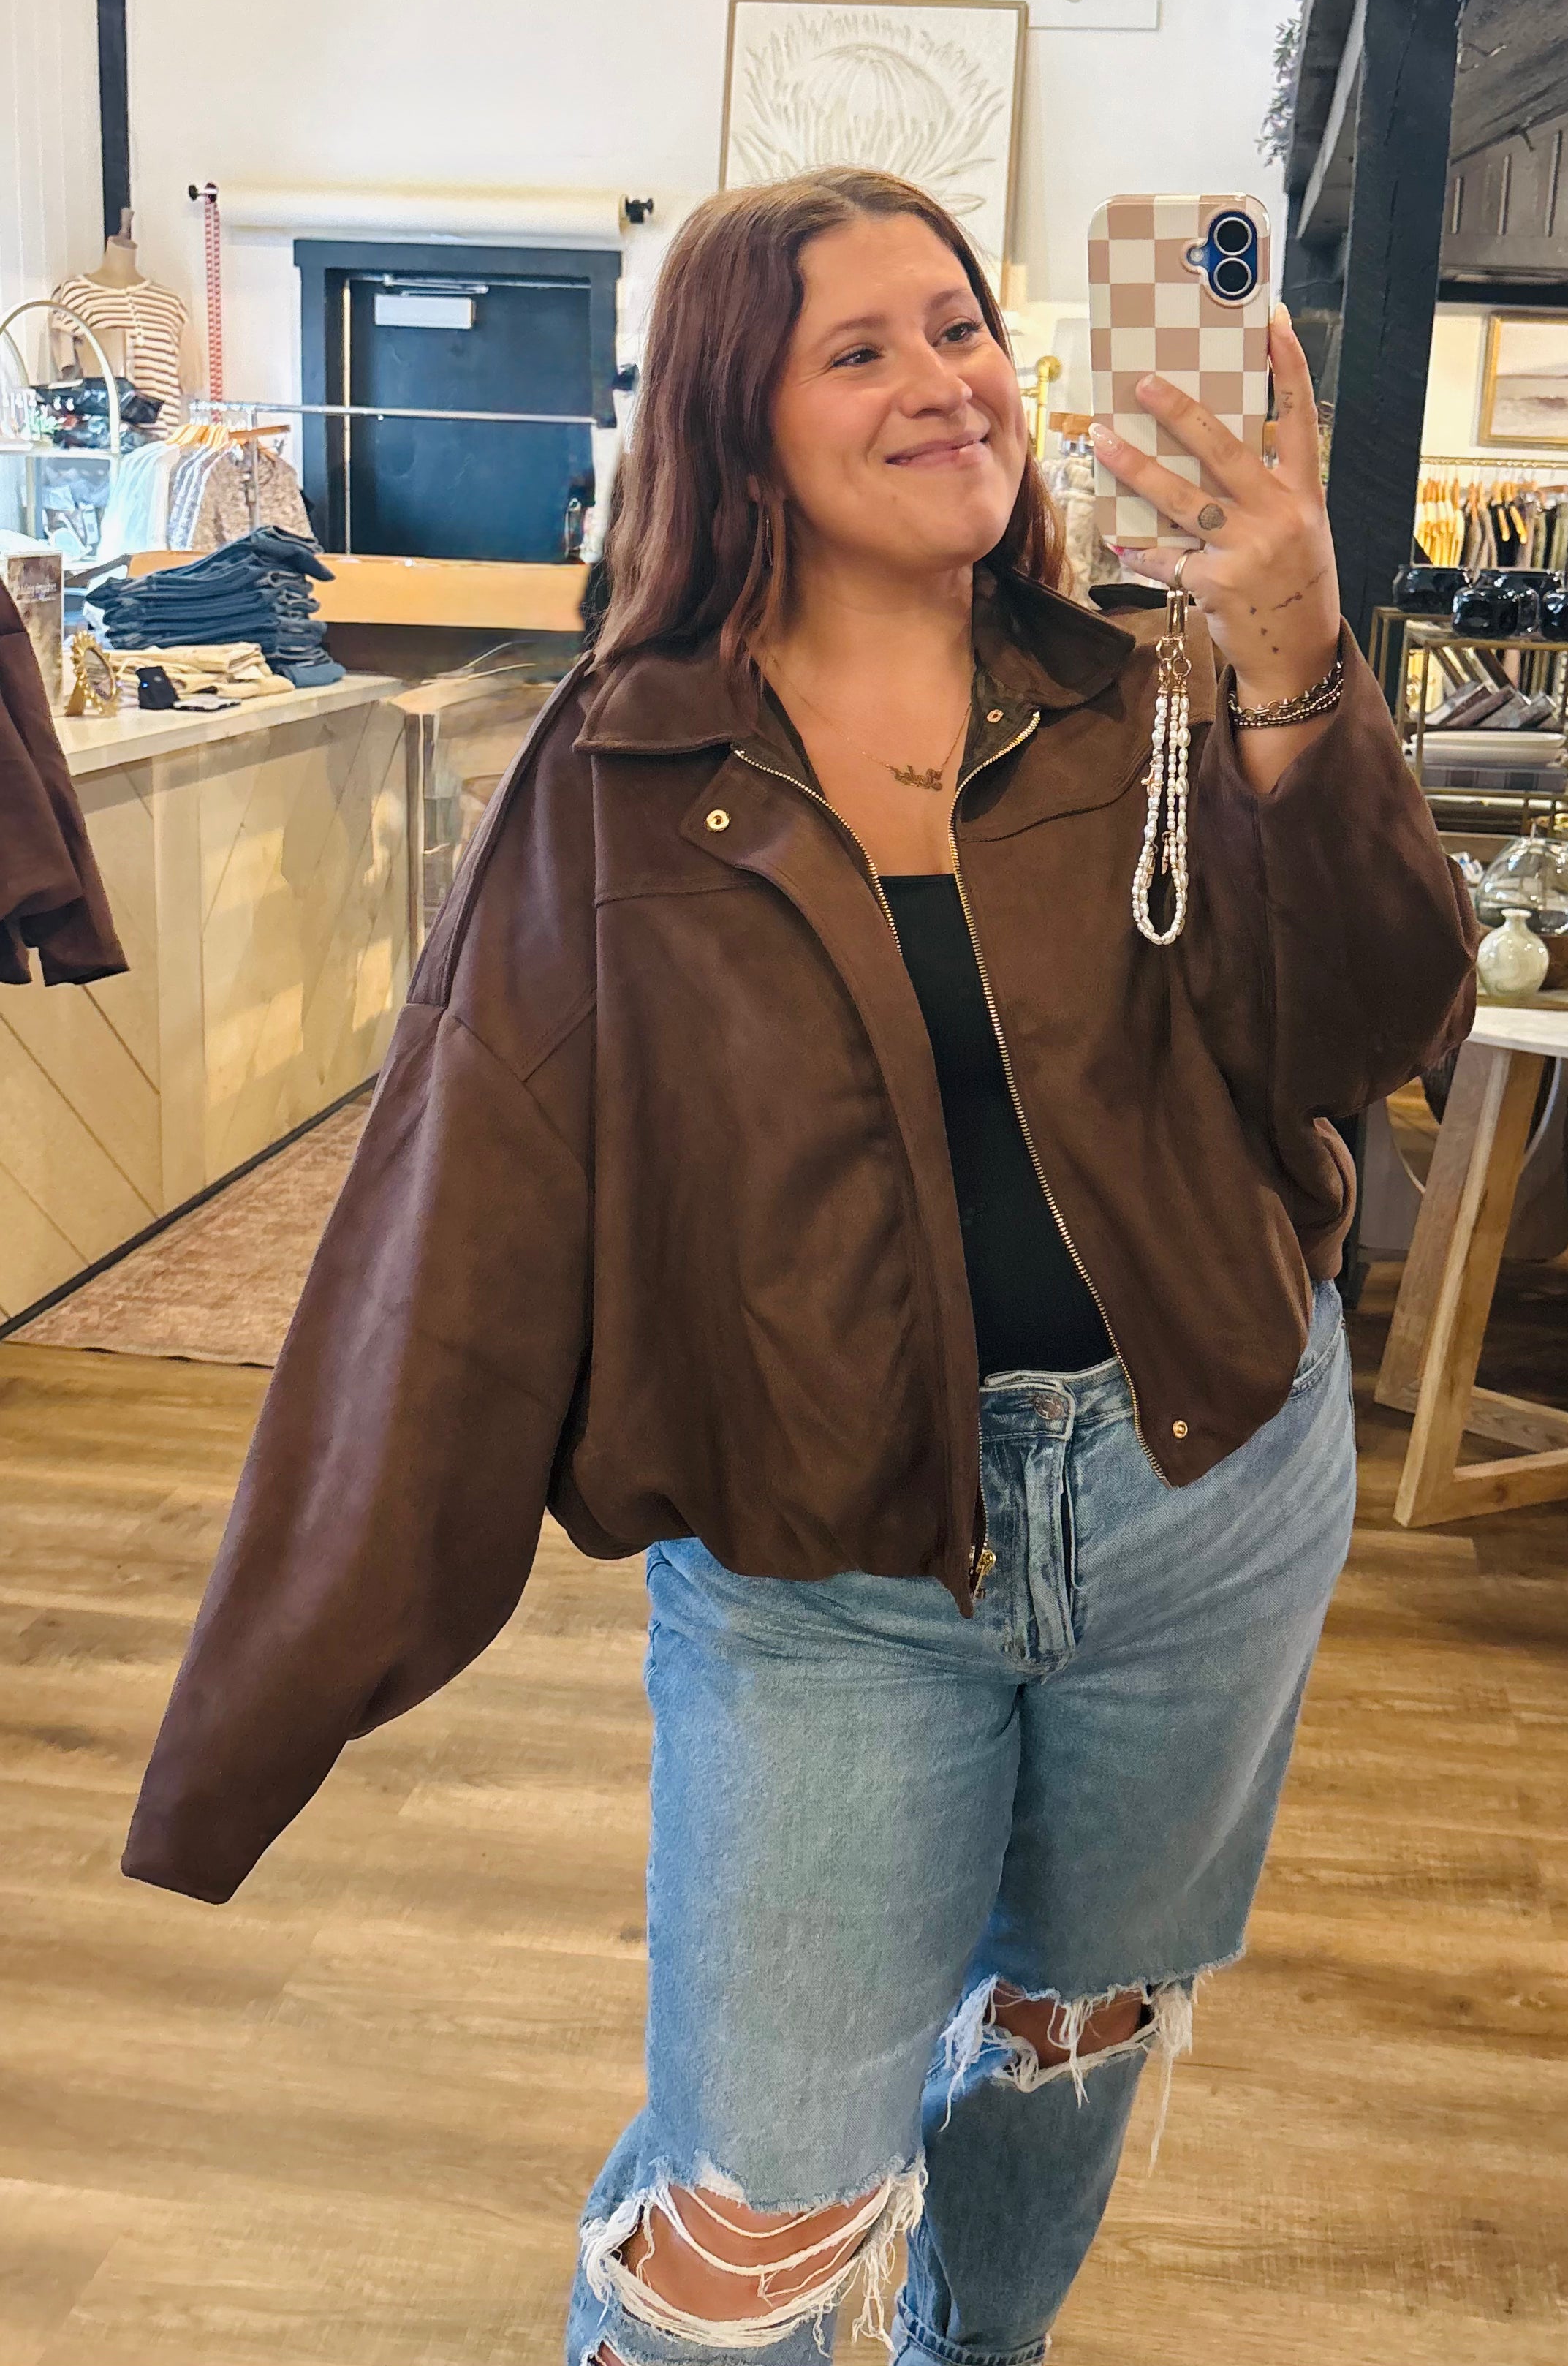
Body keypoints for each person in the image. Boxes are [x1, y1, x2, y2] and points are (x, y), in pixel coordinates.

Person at [123, 167, 1475, 2365]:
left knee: (1071, 2024)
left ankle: (975, 2347)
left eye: (961, 328)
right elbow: (461, 1214)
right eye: (860, 350)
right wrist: (271, 1686)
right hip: (822, 1564)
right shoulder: (621, 770)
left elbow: (1373, 1028)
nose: (945, 381)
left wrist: (1300, 656)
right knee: (754, 2211)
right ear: (737, 423)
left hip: (1205, 1500)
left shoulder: (1144, 696)